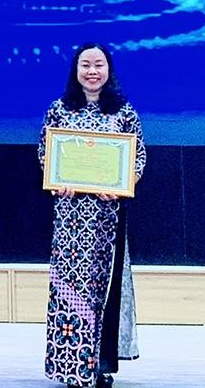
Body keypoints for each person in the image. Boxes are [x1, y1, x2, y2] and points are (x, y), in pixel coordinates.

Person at [39, 43, 147, 388]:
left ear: (108, 70)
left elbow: (138, 157)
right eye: (85, 64)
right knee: (69, 288)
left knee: (104, 289)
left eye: (98, 65)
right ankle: (69, 366)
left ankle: (100, 365)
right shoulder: (59, 109)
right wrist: (57, 180)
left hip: (106, 218)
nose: (92, 71)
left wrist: (121, 185)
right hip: (70, 219)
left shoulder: (123, 112)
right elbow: (45, 152)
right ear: (76, 70)